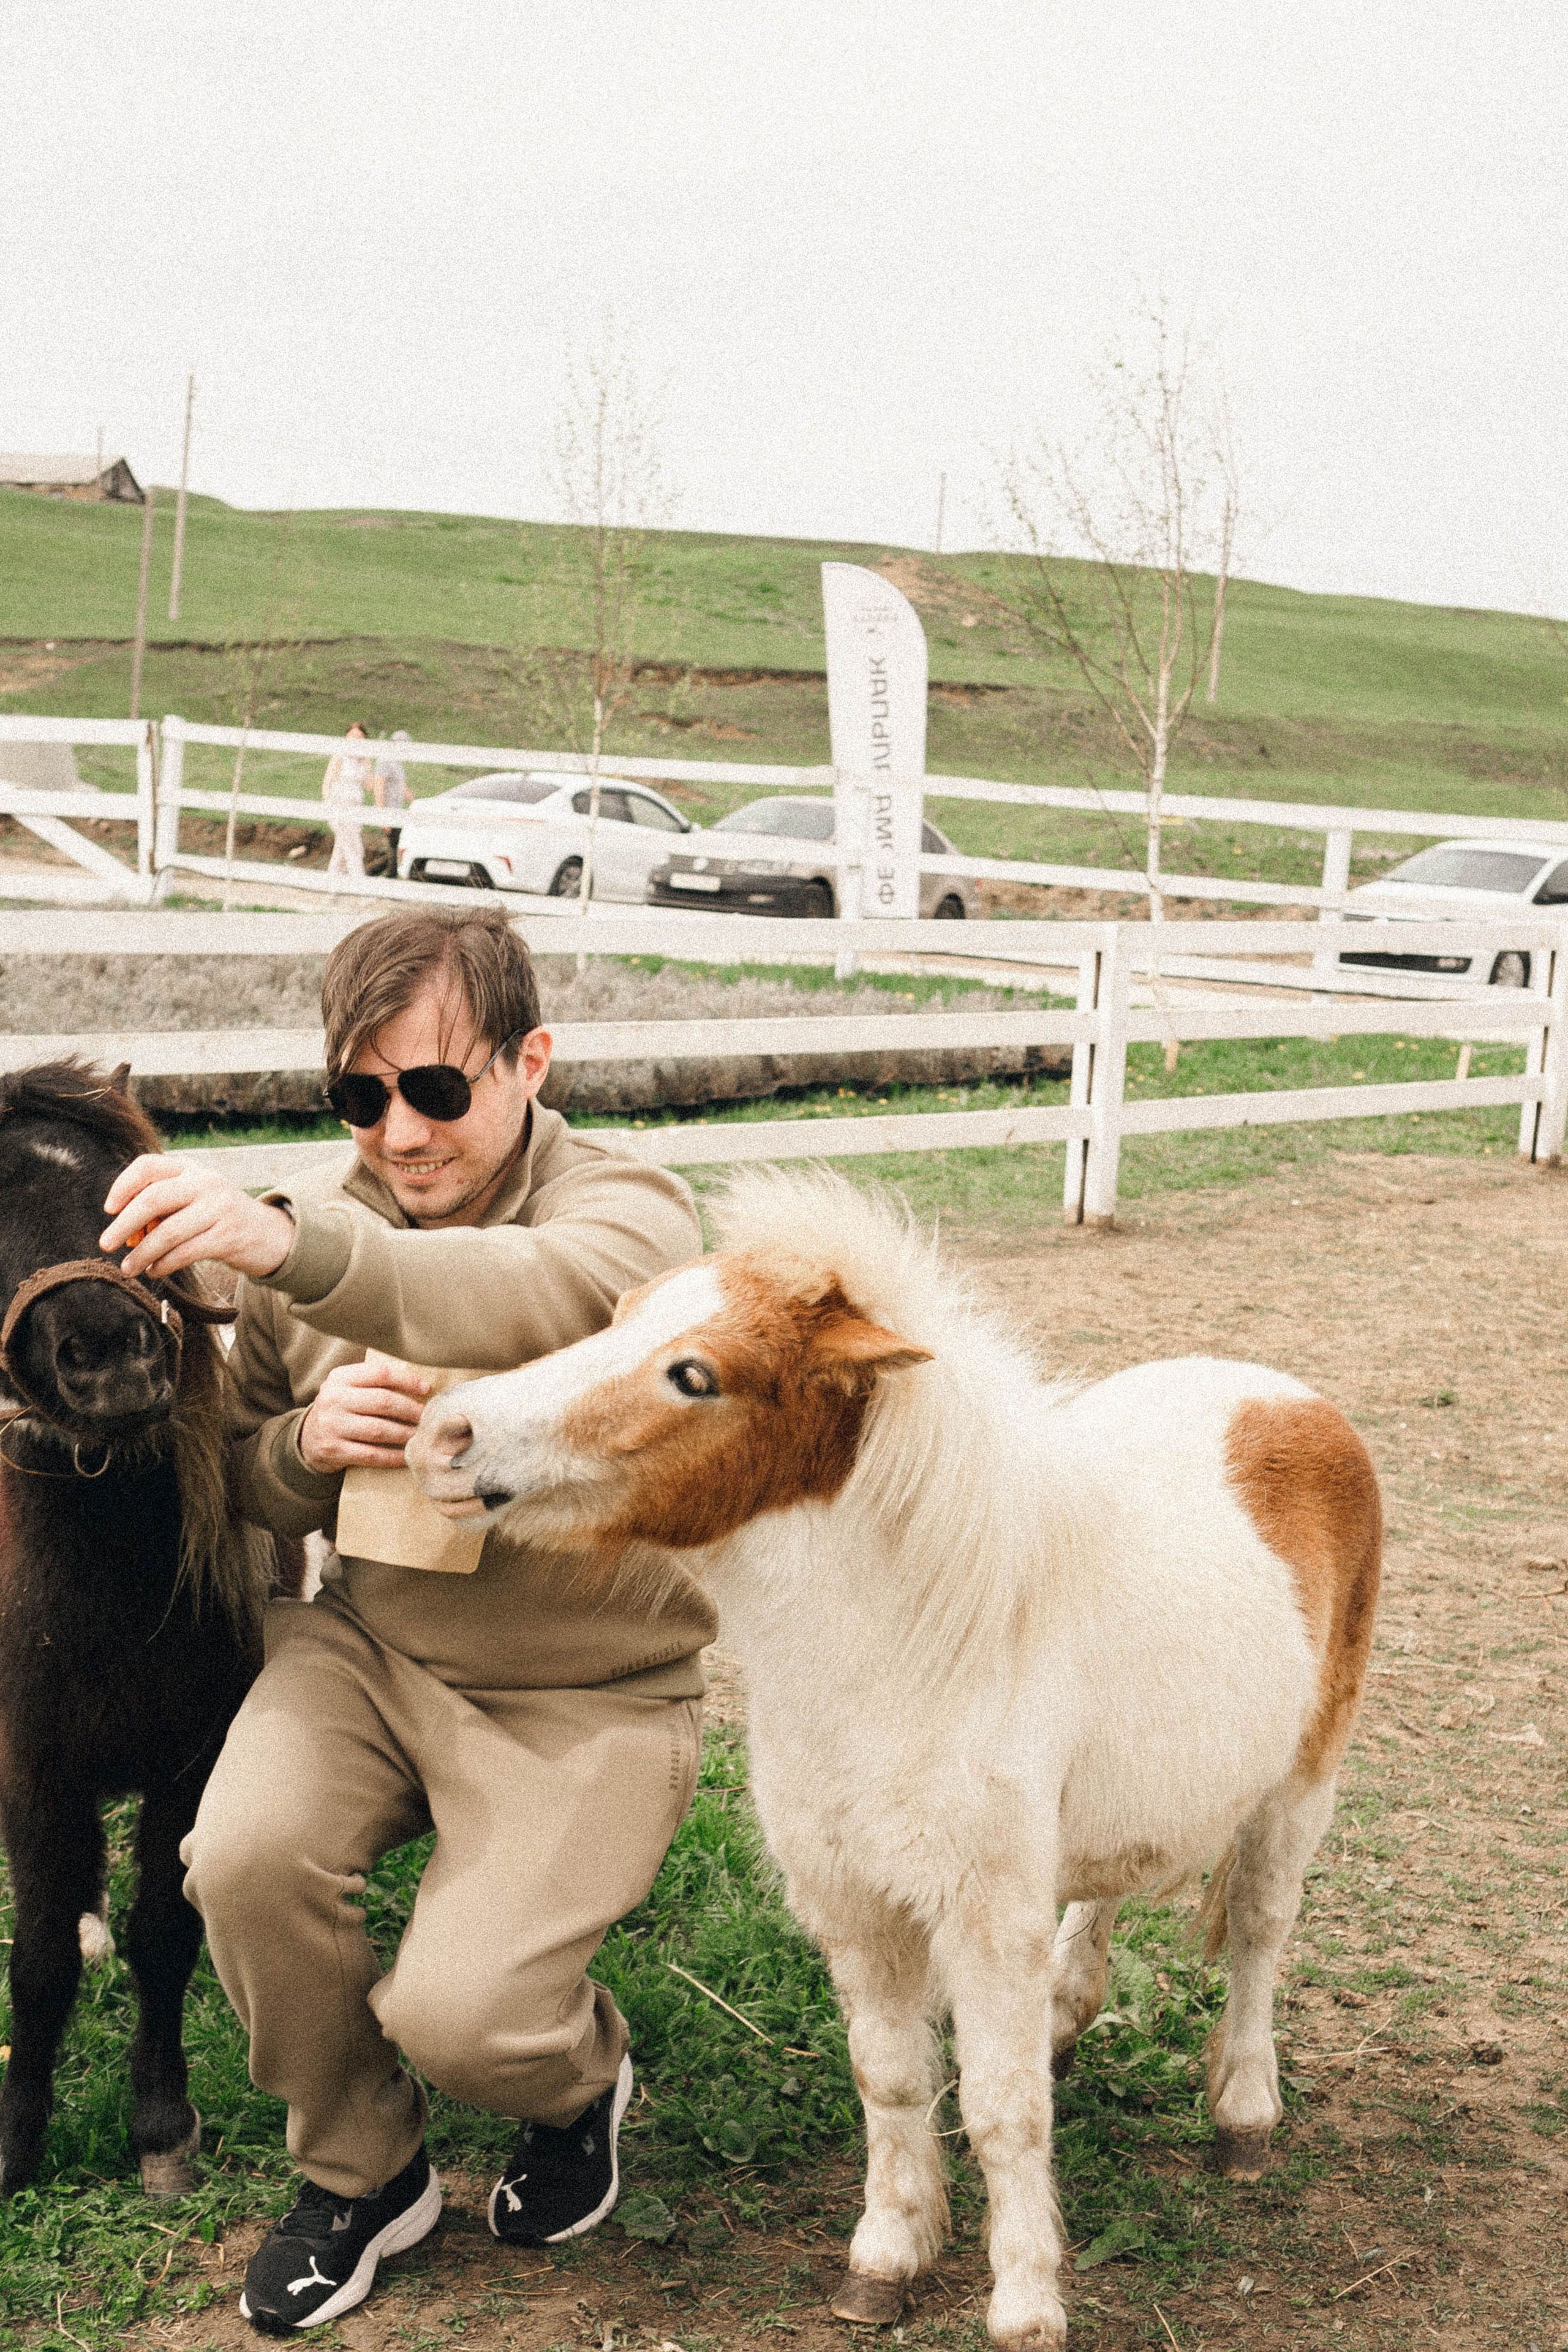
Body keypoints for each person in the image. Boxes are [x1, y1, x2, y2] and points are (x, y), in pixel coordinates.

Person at [98, 907, 711, 2336]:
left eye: (436, 1086)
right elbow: (249, 1470)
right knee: (238, 1857)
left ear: (529, 1060)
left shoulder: (627, 1217)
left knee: (466, 2013)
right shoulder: (324, 1226)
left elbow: (517, 1293)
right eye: (358, 1095)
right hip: (369, 1644)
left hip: (591, 1686)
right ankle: (362, 2170)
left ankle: (574, 2082)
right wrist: (306, 1441)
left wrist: (289, 1245)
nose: (399, 1132)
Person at [322, 722, 372, 881]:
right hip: (339, 805)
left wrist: (367, 763)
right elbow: (327, 782)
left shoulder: (363, 760)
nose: (356, 739)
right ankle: (361, 888)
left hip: (355, 809)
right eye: (353, 736)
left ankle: (332, 888)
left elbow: (369, 786)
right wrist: (328, 807)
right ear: (346, 737)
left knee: (342, 851)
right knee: (354, 849)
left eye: (360, 737)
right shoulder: (340, 756)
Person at [372, 727, 413, 877]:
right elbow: (379, 788)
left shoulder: (397, 763)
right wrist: (383, 817)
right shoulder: (385, 761)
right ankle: (389, 877)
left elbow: (402, 787)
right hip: (388, 811)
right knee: (395, 845)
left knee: (396, 845)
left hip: (398, 810)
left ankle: (372, 873)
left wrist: (416, 803)